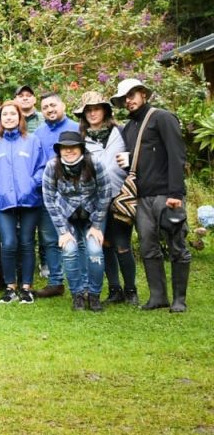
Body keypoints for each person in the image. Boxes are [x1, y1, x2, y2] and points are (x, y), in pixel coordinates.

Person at [112, 78, 191, 312]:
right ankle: (158, 297)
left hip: (167, 194)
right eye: (124, 97)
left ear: (143, 94)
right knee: (148, 246)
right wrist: (127, 162)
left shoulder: (162, 117)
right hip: (141, 196)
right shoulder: (129, 127)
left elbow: (177, 155)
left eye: (132, 95)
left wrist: (175, 192)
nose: (128, 101)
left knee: (176, 245)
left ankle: (179, 299)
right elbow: (139, 160)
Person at [74, 91, 135, 305]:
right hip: (95, 199)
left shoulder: (121, 132)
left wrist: (129, 160)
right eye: (88, 110)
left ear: (105, 110)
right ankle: (115, 289)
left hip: (120, 196)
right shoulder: (81, 138)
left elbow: (136, 156)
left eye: (96, 108)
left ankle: (131, 290)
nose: (92, 113)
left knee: (122, 244)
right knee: (105, 243)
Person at [0, 101, 47, 305]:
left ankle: (26, 287)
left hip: (30, 200)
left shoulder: (32, 140)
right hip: (4, 201)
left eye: (13, 114)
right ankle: (10, 286)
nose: (9, 117)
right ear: (1, 119)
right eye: (5, 115)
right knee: (9, 243)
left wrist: (32, 184)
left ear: (20, 117)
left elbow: (42, 167)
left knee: (27, 243)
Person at [42, 132, 111, 312]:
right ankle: (78, 295)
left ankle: (94, 295)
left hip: (93, 214)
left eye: (73, 146)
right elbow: (49, 200)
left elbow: (105, 193)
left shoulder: (95, 163)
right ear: (60, 150)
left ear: (81, 148)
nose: (69, 150)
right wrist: (63, 231)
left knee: (95, 251)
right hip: (66, 216)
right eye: (65, 147)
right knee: (70, 250)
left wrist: (96, 226)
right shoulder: (52, 166)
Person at [33, 92, 80, 298]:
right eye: (45, 107)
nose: (50, 110)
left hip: (75, 193)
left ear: (63, 106)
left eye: (53, 105)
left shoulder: (77, 129)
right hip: (48, 193)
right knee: (50, 238)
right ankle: (55, 281)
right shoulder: (38, 134)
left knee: (77, 237)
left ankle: (79, 281)